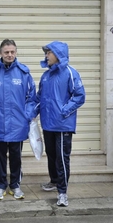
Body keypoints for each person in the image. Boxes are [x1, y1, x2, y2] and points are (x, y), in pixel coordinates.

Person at [0, 39, 36, 200]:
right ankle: (0, 185)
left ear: (16, 52)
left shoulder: (24, 73)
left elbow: (32, 99)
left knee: (16, 156)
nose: (9, 55)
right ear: (1, 53)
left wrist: (28, 116)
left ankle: (15, 185)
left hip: (18, 124)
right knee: (0, 157)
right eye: (6, 52)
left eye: (12, 52)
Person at [35, 41, 85, 207]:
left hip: (63, 124)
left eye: (49, 53)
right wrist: (30, 113)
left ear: (58, 54)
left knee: (62, 158)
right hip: (48, 124)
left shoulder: (71, 73)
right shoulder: (46, 76)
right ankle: (54, 180)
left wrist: (64, 111)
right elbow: (39, 98)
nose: (46, 56)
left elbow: (79, 96)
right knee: (51, 154)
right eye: (46, 53)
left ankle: (62, 192)